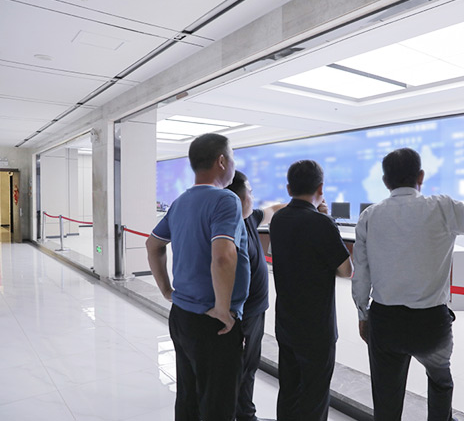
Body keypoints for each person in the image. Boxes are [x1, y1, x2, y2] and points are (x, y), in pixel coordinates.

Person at [352, 148, 464, 421]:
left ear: (385, 181)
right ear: (420, 176)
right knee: (440, 383)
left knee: (386, 396)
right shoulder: (442, 207)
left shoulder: (369, 216)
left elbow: (361, 275)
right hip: (431, 324)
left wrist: (363, 315)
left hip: (385, 322)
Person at [146, 133, 250, 421]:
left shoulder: (180, 202)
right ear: (221, 161)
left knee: (189, 398)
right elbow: (223, 256)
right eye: (232, 158)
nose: (233, 164)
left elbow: (153, 245)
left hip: (182, 316)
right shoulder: (225, 199)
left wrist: (167, 290)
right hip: (213, 323)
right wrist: (222, 308)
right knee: (217, 406)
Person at [269, 160, 353, 421]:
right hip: (316, 329)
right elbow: (346, 270)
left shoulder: (278, 219)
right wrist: (326, 219)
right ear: (321, 188)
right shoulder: (322, 223)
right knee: (315, 395)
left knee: (289, 390)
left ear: (289, 188)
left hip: (286, 323)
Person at [226, 171, 285, 421]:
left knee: (249, 366)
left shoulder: (250, 218)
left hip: (256, 310)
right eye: (250, 192)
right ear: (239, 198)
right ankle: (243, 415)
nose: (253, 196)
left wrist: (304, 203)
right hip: (242, 314)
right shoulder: (228, 228)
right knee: (241, 367)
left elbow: (273, 210)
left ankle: (244, 412)